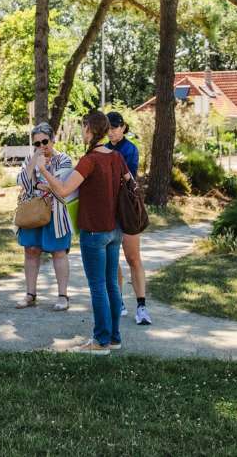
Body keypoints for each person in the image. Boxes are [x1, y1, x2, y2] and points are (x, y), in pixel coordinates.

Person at [36, 110, 126, 353]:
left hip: (94, 231)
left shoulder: (90, 160)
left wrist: (43, 170)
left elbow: (65, 190)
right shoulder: (116, 157)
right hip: (114, 229)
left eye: (83, 127)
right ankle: (114, 338)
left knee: (98, 286)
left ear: (90, 130)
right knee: (111, 285)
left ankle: (100, 342)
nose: (82, 132)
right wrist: (51, 185)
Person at [14, 122, 74, 311]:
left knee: (59, 252)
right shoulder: (31, 159)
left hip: (56, 214)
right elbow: (21, 181)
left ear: (53, 139)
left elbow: (60, 186)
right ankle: (30, 294)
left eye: (45, 141)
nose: (41, 147)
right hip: (32, 212)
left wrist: (41, 177)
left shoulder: (64, 159)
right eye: (37, 144)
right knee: (31, 250)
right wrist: (34, 164)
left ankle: (63, 296)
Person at [106, 110, 150, 325]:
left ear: (123, 127)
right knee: (112, 259)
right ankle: (119, 300)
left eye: (114, 127)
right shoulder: (103, 148)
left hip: (127, 208)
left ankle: (141, 306)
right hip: (108, 210)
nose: (111, 132)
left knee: (133, 258)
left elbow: (126, 178)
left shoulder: (130, 149)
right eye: (108, 128)